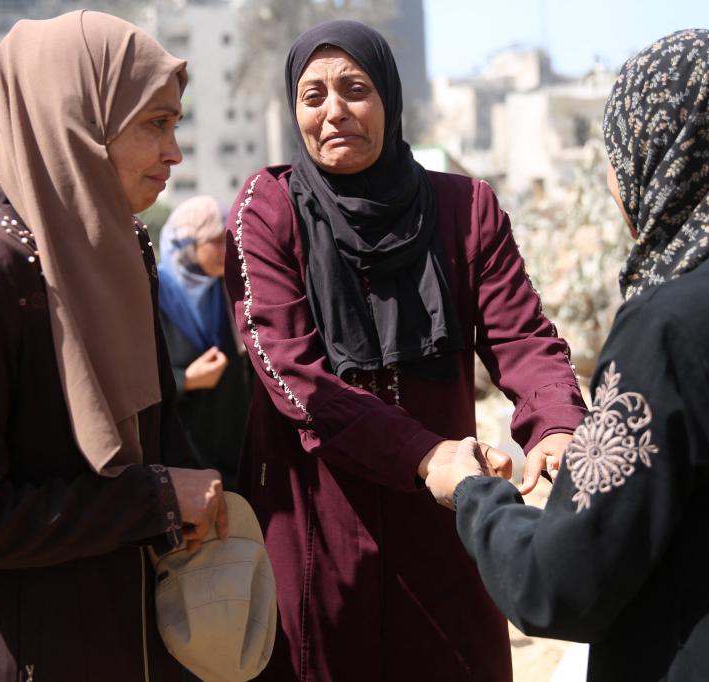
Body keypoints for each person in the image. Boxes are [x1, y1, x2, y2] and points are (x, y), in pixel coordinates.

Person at [425, 29, 709, 681]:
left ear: (660, 156)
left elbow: (556, 585)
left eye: (615, 161)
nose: (616, 186)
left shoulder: (671, 325)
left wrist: (471, 493)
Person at [223, 20, 587, 681]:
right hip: (319, 536)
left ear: (389, 99)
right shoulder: (267, 208)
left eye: (354, 89)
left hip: (446, 525)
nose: (333, 110)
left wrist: (558, 423)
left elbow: (522, 335)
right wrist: (425, 454)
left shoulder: (465, 208)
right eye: (313, 96)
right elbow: (294, 378)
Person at [0, 11, 228, 681]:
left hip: (129, 638)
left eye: (175, 124)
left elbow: (154, 438)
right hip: (21, 651)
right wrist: (157, 501)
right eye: (155, 124)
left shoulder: (124, 251)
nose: (175, 153)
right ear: (76, 120)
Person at [158, 195, 252, 490]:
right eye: (216, 241)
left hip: (232, 450)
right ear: (187, 243)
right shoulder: (152, 294)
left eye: (230, 242)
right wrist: (186, 380)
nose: (227, 252)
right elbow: (132, 378)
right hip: (180, 458)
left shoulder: (228, 292)